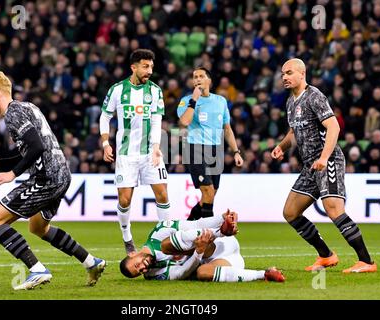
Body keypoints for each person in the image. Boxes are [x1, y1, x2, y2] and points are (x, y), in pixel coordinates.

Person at [0, 71, 106, 290]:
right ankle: (91, 261)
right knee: (38, 227)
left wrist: (12, 174)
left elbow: (36, 147)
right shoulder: (28, 107)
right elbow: (30, 149)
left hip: (46, 178)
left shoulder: (12, 114)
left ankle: (36, 269)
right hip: (62, 175)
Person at [271, 59, 377, 273]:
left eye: (289, 72)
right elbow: (294, 132)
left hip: (327, 160)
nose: (284, 77)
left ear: (302, 73)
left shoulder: (314, 96)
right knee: (290, 212)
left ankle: (366, 261)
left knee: (334, 209)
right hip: (310, 166)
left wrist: (324, 157)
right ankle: (326, 256)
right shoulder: (291, 102)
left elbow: (334, 126)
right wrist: (281, 146)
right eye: (283, 73)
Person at [99, 49, 170, 254]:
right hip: (126, 153)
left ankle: (166, 239)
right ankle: (127, 237)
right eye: (145, 66)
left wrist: (156, 147)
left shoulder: (155, 91)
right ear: (134, 67)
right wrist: (106, 143)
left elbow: (157, 121)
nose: (149, 71)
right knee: (124, 200)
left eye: (151, 67)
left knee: (162, 194)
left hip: (150, 152)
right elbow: (105, 117)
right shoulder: (117, 90)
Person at [119, 211, 285, 282]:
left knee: (166, 245)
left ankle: (221, 231)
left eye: (137, 265)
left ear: (133, 253)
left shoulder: (160, 231)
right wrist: (198, 252)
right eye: (139, 272)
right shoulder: (154, 275)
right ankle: (264, 274)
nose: (143, 268)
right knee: (201, 272)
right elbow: (181, 273)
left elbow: (196, 224)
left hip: (219, 243)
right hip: (228, 262)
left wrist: (222, 218)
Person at [177, 67, 244, 220]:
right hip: (195, 148)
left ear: (209, 80)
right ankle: (210, 233)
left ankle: (187, 227)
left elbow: (227, 129)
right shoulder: (186, 101)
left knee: (211, 194)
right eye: (195, 77)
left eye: (201, 76)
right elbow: (185, 121)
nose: (197, 79)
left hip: (216, 150)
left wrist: (236, 152)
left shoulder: (220, 101)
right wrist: (194, 100)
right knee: (207, 191)